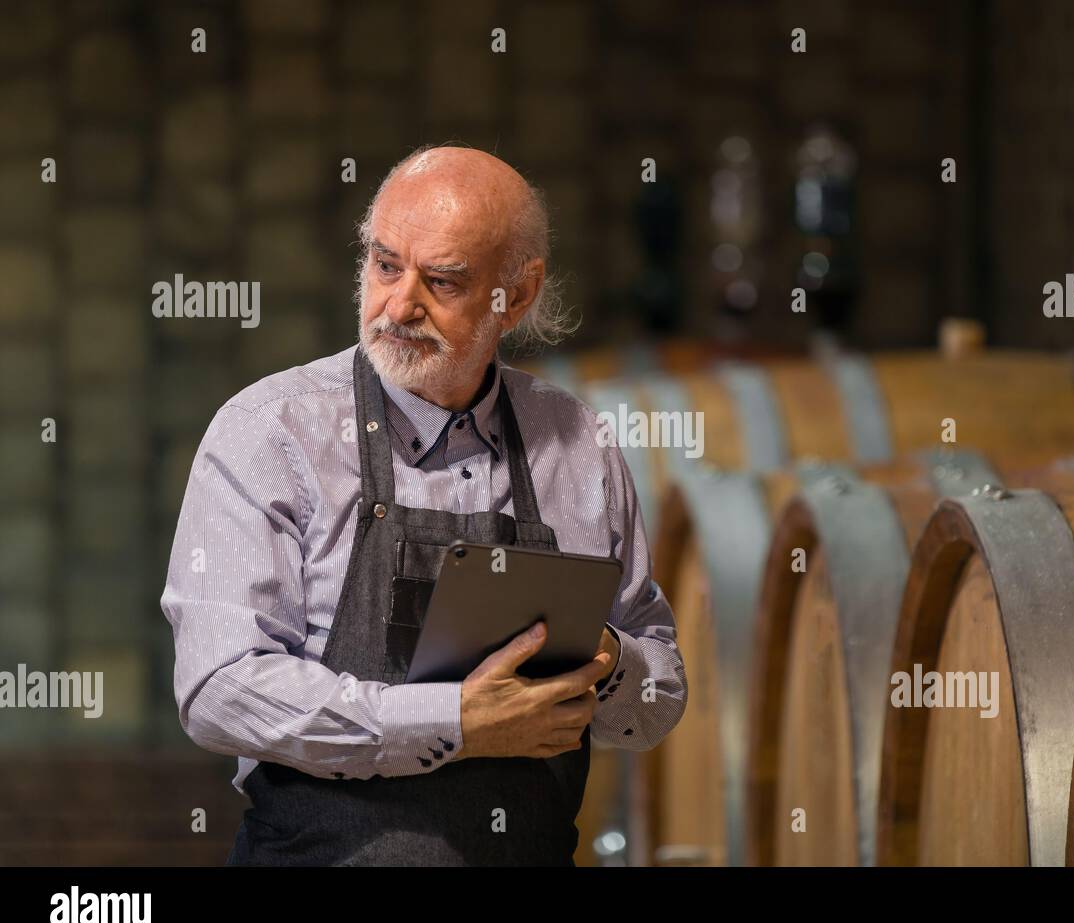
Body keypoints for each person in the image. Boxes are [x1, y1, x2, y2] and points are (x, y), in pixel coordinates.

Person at [160, 145, 686, 865]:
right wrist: (454, 722)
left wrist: (604, 659)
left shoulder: (579, 446)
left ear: (518, 295)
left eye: (441, 280)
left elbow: (657, 697)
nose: (400, 305)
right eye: (384, 265)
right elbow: (219, 690)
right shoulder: (270, 434)